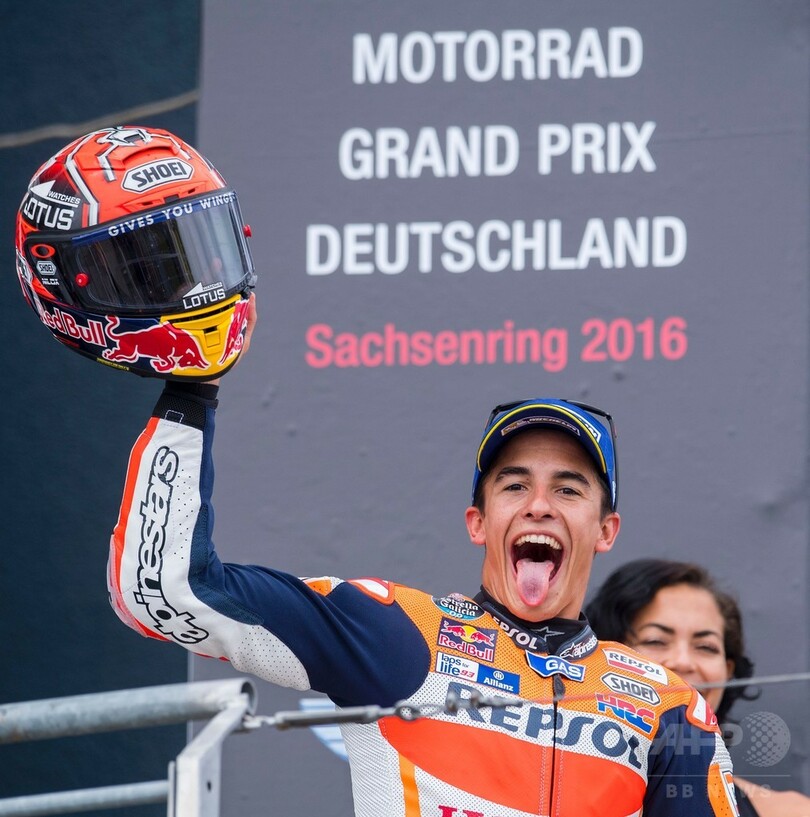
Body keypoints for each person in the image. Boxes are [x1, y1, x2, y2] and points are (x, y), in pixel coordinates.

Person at [17, 127, 737, 816]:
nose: (540, 504)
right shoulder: (396, 632)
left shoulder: (666, 703)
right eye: (514, 484)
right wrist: (193, 389)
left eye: (569, 488)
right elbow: (165, 590)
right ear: (477, 521)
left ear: (606, 529)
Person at [586, 558, 810, 817]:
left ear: (728, 670)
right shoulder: (552, 800)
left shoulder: (791, 811)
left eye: (706, 647)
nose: (683, 662)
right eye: (656, 641)